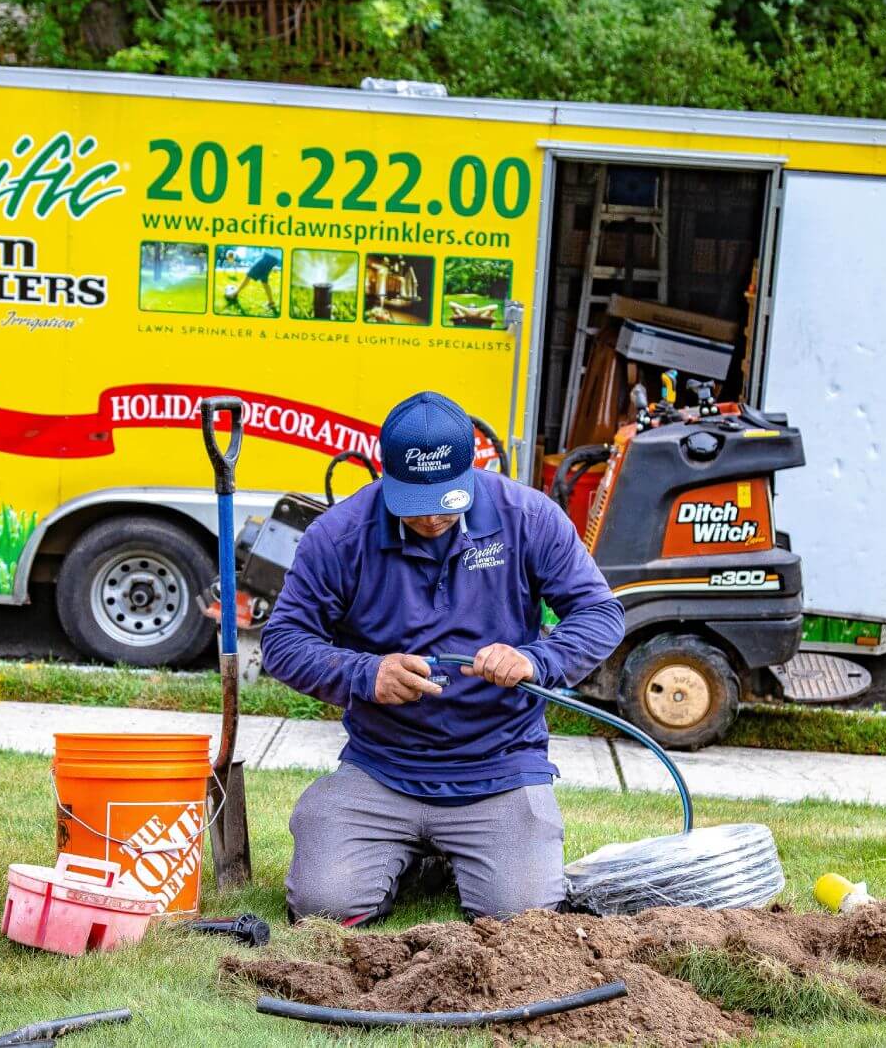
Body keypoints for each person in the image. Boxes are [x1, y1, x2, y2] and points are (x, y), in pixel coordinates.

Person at [261, 391, 625, 924]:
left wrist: (536, 660)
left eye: (446, 501)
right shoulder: (339, 536)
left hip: (499, 765)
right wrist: (366, 673)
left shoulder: (526, 517)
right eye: (414, 503)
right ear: (386, 477)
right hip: (382, 766)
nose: (431, 517)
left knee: (522, 919)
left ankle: (454, 854)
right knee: (322, 908)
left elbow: (601, 614)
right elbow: (283, 641)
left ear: (470, 472)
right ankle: (410, 854)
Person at [226, 248, 281, 313]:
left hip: (268, 257)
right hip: (272, 258)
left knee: (249, 275)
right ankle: (271, 303)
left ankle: (234, 294)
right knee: (264, 281)